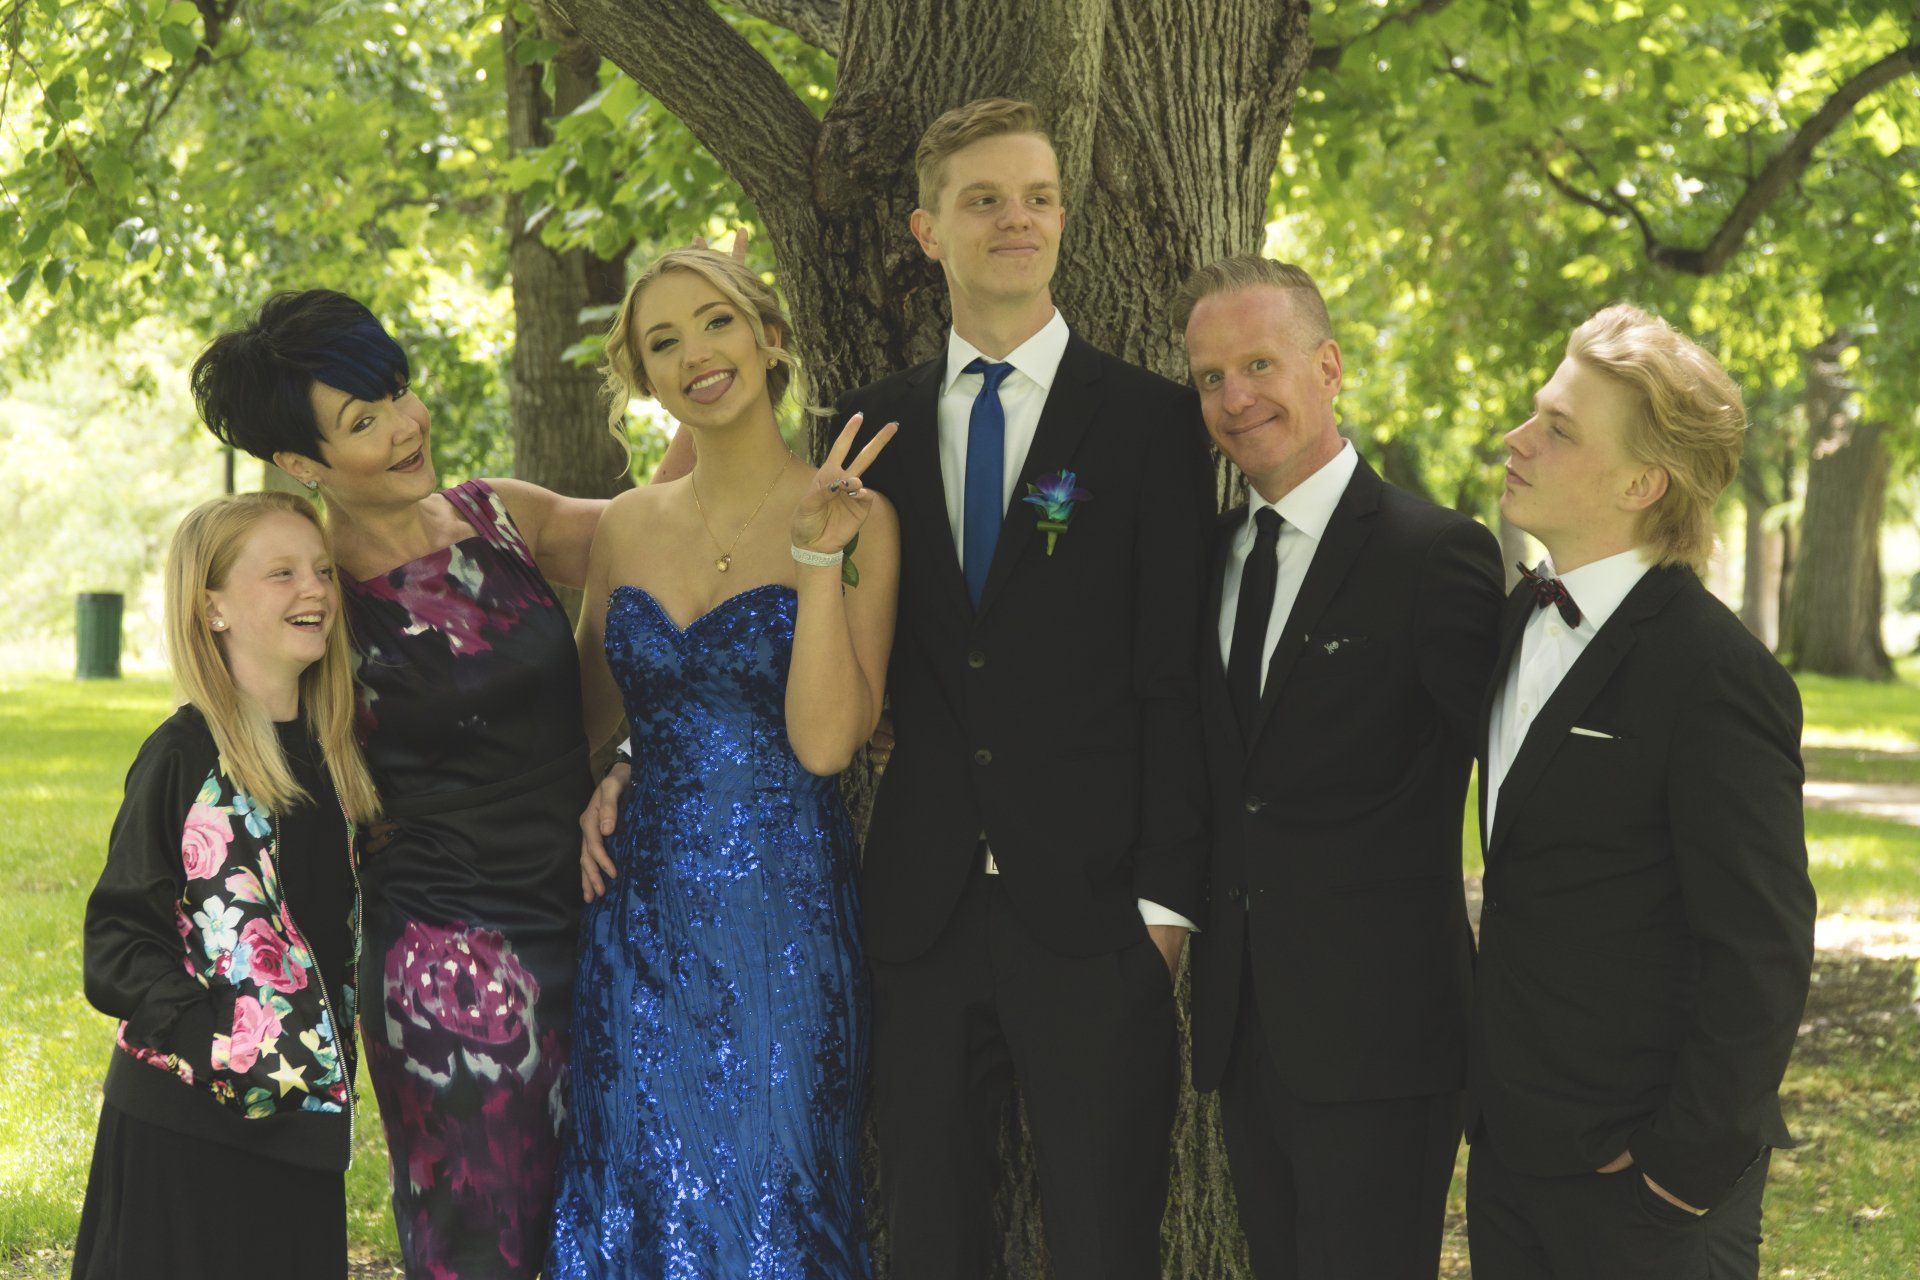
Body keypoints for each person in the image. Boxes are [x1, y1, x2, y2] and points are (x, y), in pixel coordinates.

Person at [189, 291, 649, 1279]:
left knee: (615, 1228)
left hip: (599, 911)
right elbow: (236, 735)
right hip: (449, 956)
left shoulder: (498, 514)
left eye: (398, 393)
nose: (406, 426)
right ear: (302, 463)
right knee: (485, 1241)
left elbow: (666, 534)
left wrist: (706, 389)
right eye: (364, 420)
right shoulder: (319, 595)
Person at [834, 97, 1213, 1279]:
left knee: (1104, 1239)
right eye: (985, 199)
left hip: (1099, 911)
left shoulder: (1152, 422)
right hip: (923, 908)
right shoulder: (873, 425)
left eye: (1039, 197)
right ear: (927, 230)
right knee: (931, 1238)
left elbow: (1178, 674)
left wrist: (1165, 908)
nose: (1017, 219)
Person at [549, 247, 899, 1277]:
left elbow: (827, 743)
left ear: (769, 338)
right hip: (637, 923)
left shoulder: (861, 516)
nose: (696, 354)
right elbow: (584, 720)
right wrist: (609, 772)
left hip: (783, 929)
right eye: (663, 342)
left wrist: (818, 557)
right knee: (636, 1201)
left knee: (774, 1208)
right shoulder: (625, 526)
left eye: (716, 322)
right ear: (645, 380)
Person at [1466, 304, 1816, 1279]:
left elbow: (1763, 946)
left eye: (1558, 428)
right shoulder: (1516, 619)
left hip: (1644, 1189)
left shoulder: (1717, 674)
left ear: (1640, 483)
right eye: (1536, 411)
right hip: (1512, 1150)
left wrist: (1680, 1171)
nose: (1517, 438)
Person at [1177, 256, 1504, 1278]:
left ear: (1328, 368)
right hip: (1245, 1027)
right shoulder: (1206, 557)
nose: (1235, 398)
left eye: (1259, 364)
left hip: (1386, 1035)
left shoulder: (1436, 554)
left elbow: (1516, 781)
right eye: (1211, 377)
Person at [74, 491, 380, 1280]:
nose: (314, 589)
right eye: (282, 573)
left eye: (321, 570)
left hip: (301, 1135)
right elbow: (117, 941)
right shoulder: (185, 756)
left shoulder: (339, 757)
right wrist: (217, 1046)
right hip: (188, 1136)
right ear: (212, 608)